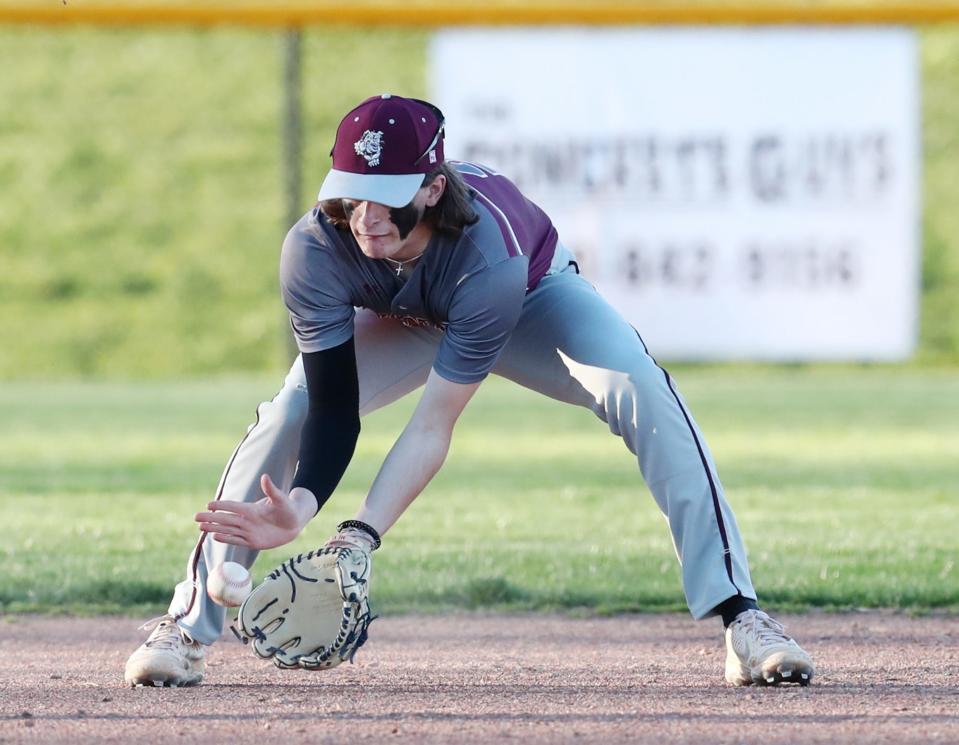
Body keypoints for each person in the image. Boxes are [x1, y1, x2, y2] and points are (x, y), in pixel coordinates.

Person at [124, 94, 815, 689]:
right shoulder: (314, 247)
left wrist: (357, 536)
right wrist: (303, 501)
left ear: (429, 188)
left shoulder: (488, 256)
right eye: (350, 188)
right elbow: (333, 406)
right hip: (401, 312)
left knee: (642, 389)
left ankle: (741, 615)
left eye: (387, 194)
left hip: (529, 299)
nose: (364, 214)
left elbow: (433, 425)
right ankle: (186, 627)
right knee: (290, 410)